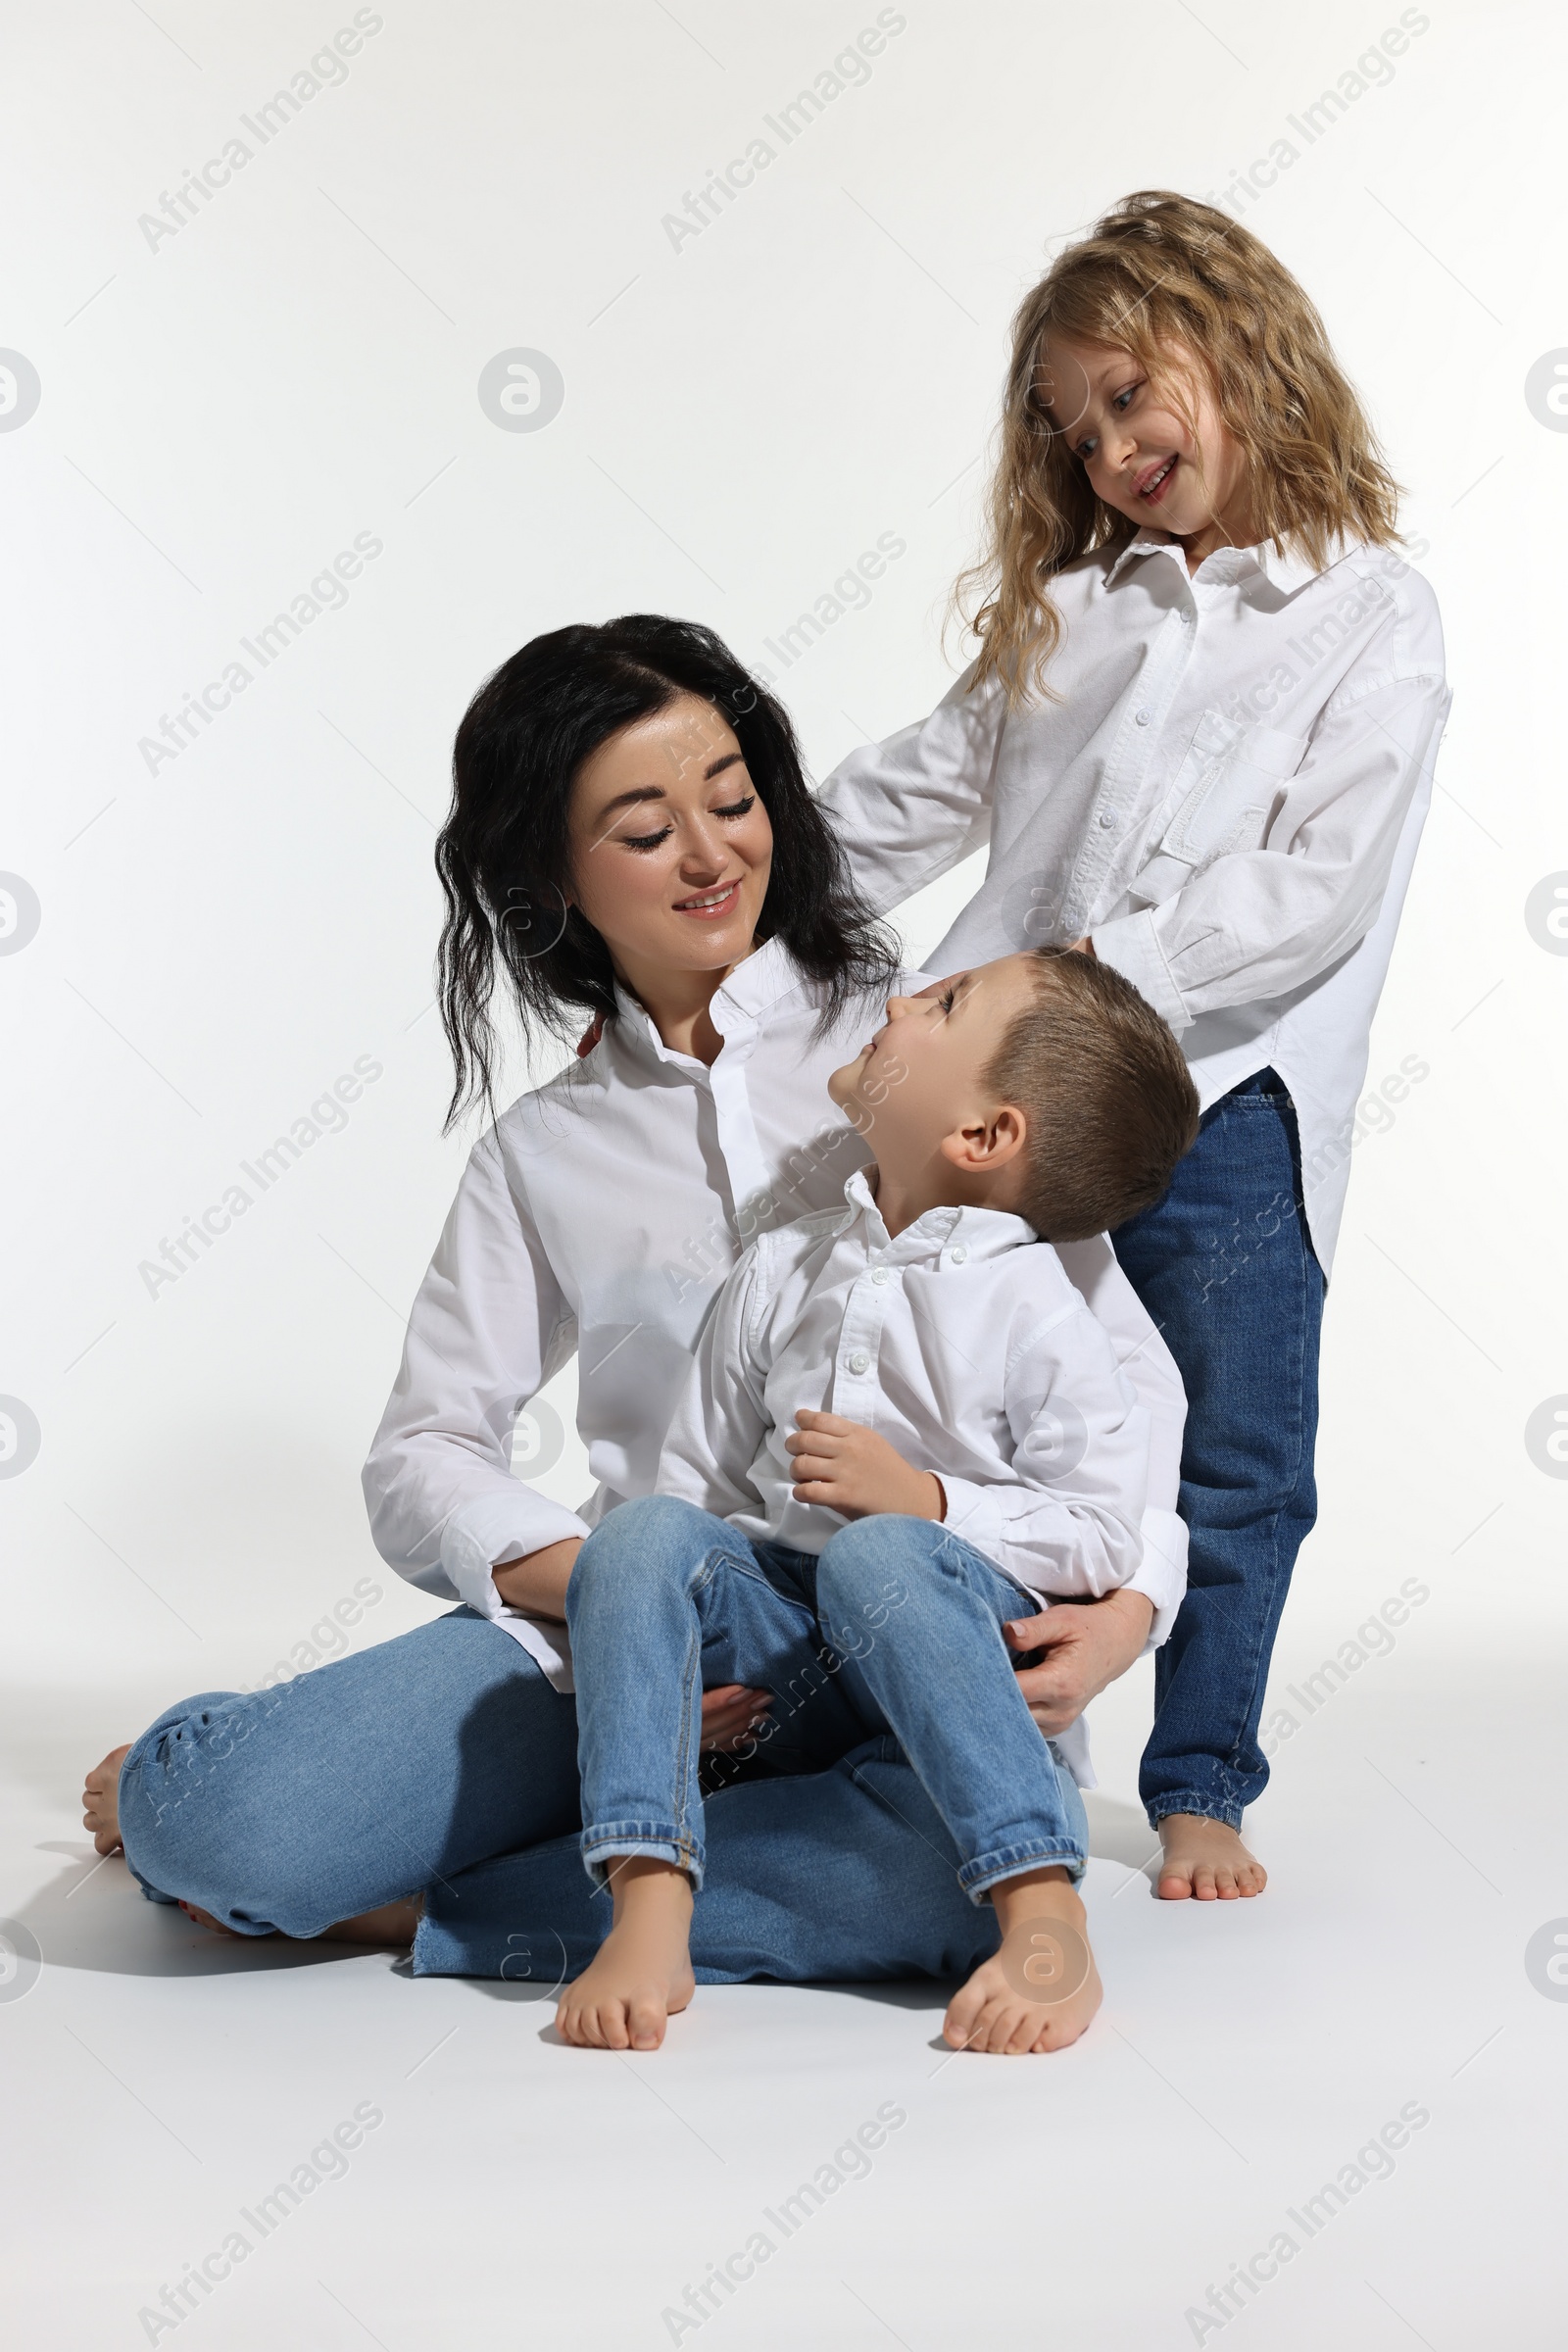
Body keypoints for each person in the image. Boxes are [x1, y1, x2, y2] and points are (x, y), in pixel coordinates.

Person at [83, 617, 1186, 1980]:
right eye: (646, 829)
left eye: (732, 800)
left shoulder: (927, 1050)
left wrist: (1128, 1610)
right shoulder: (543, 1150)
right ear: (550, 871)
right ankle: (236, 1766)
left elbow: (1128, 1387)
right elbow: (426, 1449)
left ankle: (451, 1908)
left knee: (953, 1885)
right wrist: (612, 1600)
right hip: (645, 1619)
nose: (715, 853)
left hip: (911, 1648)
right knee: (225, 1829)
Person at [817, 191, 1451, 1902]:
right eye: (1067, 426)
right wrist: (749, 902)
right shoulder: (1077, 622)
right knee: (972, 1405)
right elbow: (909, 796)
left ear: (1241, 350)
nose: (1104, 446)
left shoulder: (1372, 615)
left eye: (1124, 394)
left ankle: (1202, 1783)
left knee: (1238, 1449)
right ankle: (968, 1737)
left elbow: (1315, 887)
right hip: (1005, 1090)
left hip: (1233, 1101)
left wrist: (1102, 966)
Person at [556, 947, 1199, 2056]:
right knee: (641, 1534)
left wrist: (933, 1502)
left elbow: (1102, 1532)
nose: (901, 998)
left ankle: (1039, 1903)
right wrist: (675, 1656)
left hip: (933, 1664)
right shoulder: (782, 1269)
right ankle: (650, 1888)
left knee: (880, 1559)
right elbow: (694, 1491)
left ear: (984, 1137)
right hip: (777, 1649)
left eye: (943, 1005)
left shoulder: (1038, 1310)